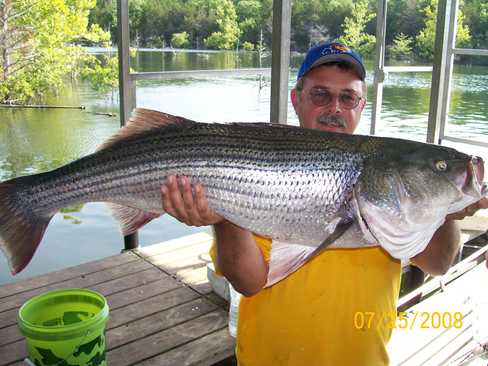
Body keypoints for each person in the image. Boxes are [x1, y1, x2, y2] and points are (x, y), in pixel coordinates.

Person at [160, 42, 488, 365]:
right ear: (297, 99)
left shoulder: (395, 191)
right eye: (321, 95)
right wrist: (225, 211)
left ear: (361, 106)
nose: (335, 108)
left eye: (348, 97)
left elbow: (439, 264)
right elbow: (248, 281)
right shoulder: (261, 167)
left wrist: (446, 211)